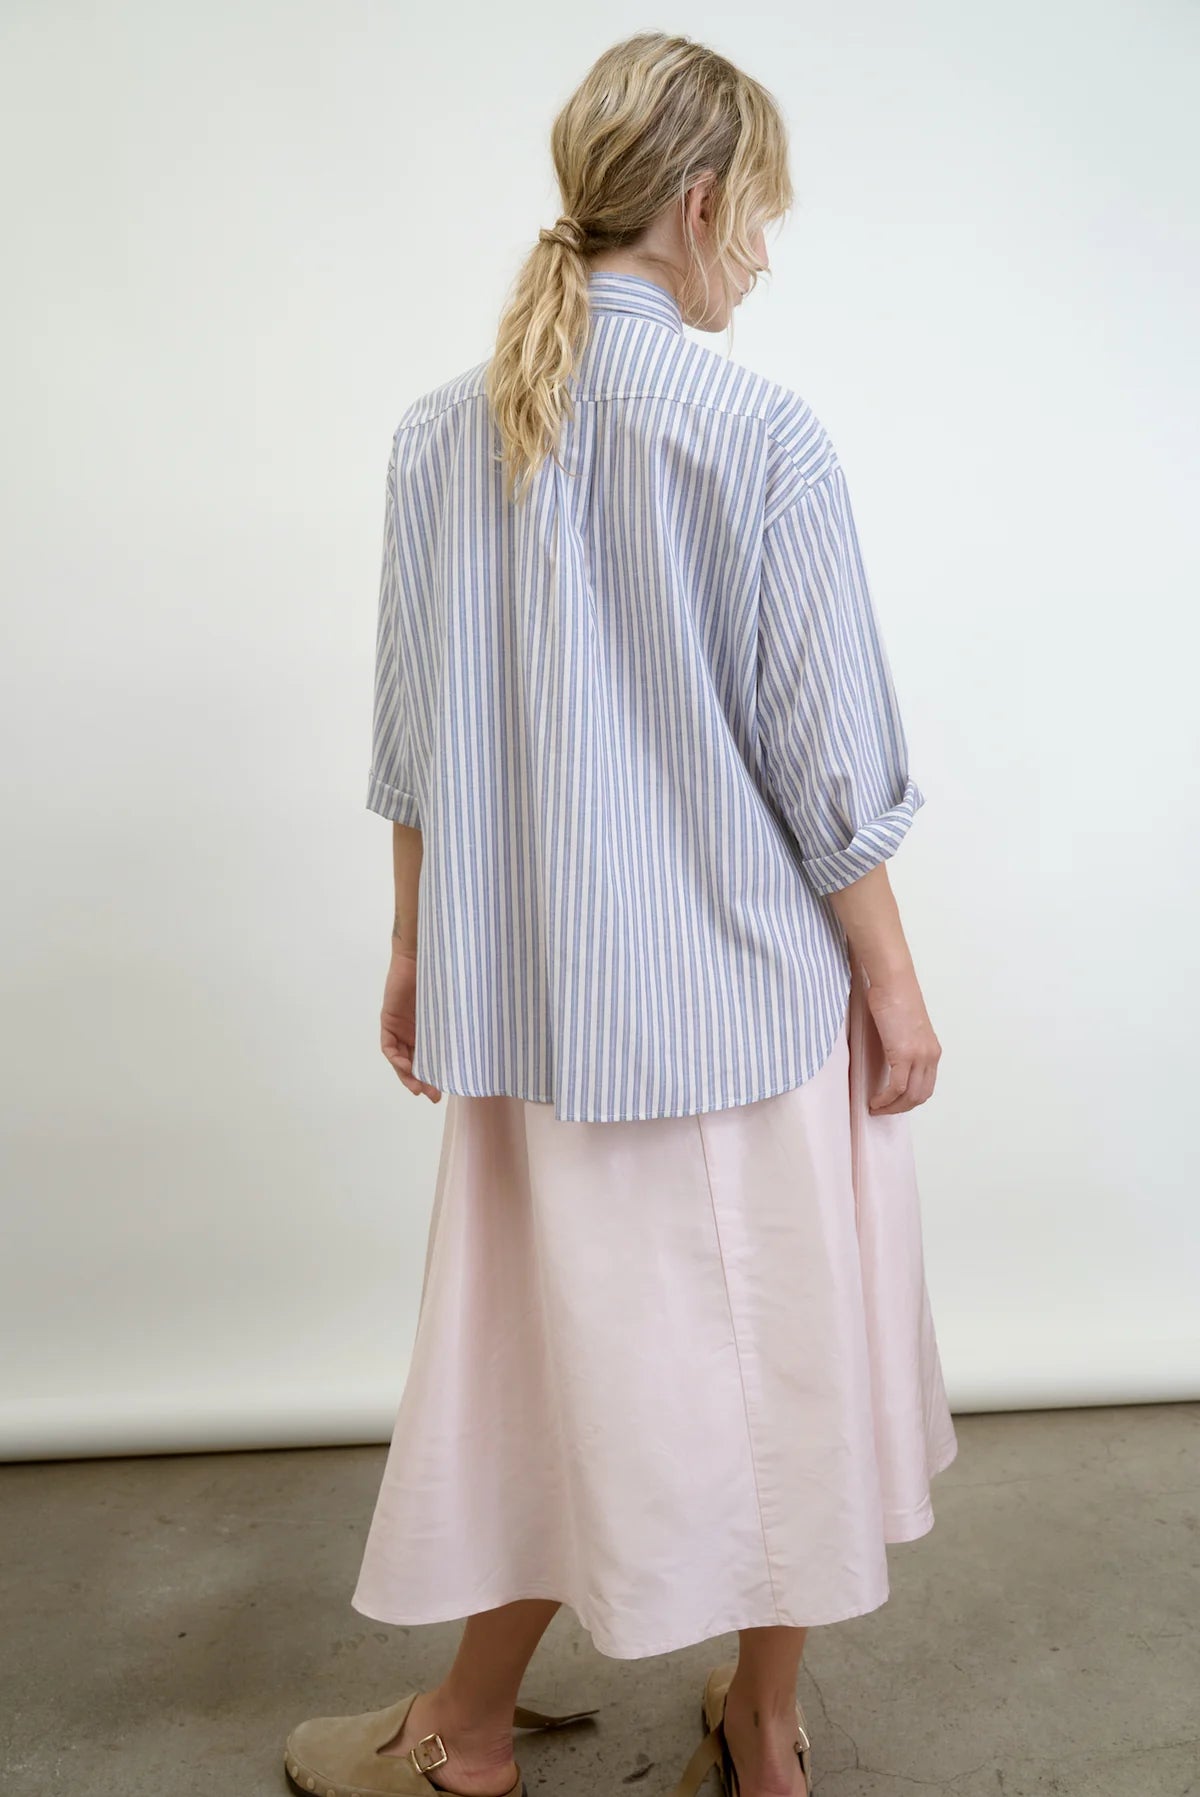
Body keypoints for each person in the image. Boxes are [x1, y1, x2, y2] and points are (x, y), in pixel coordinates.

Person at [284, 29, 957, 1797]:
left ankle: (475, 1726)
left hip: (537, 1021)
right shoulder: (758, 428)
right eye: (766, 215)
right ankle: (764, 1722)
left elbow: (413, 742)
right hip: (747, 1006)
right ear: (705, 198)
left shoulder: (443, 432)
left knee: (531, 1373)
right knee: (787, 1357)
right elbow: (830, 764)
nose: (768, 254)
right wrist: (893, 984)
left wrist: (422, 951)